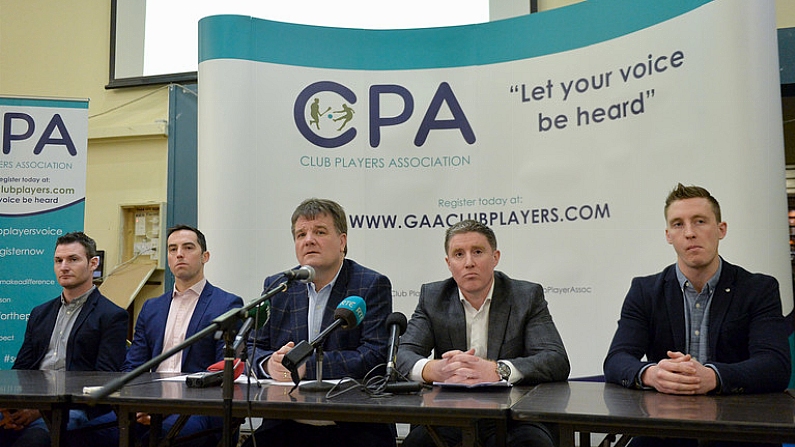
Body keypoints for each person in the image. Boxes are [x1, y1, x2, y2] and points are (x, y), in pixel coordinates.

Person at [603, 183, 791, 447]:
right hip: (666, 427)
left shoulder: (758, 289)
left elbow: (775, 365)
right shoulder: (644, 291)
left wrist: (712, 377)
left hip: (739, 427)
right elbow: (616, 359)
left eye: (700, 221)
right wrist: (652, 374)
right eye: (678, 224)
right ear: (668, 235)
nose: (689, 233)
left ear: (721, 229)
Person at [396, 219, 571, 447]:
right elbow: (401, 355)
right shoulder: (433, 297)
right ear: (449, 263)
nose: (469, 262)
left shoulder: (525, 296)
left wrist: (498, 370)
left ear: (495, 257)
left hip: (514, 416)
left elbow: (555, 359)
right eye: (459, 254)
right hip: (449, 415)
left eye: (477, 252)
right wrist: (433, 369)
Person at [70, 224, 244, 447]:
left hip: (196, 409)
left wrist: (170, 406)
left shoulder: (226, 304)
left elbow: (223, 373)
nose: (179, 254)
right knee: (79, 435)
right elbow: (133, 366)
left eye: (188, 247)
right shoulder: (152, 307)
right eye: (172, 249)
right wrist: (140, 403)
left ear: (205, 256)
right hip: (148, 404)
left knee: (160, 437)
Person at [244, 198, 395, 447]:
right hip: (286, 422)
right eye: (300, 234)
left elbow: (375, 356)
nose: (308, 240)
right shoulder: (279, 286)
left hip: (352, 425)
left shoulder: (370, 285)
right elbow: (251, 346)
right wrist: (268, 364)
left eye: (320, 232)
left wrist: (305, 367)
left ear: (342, 242)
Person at [1, 232, 128, 447]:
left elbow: (101, 380)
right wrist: (9, 407)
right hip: (32, 404)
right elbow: (21, 369)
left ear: (92, 263)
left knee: (34, 440)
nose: (64, 266)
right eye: (58, 260)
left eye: (73, 259)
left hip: (76, 408)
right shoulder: (40, 313)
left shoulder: (111, 316)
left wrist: (41, 410)